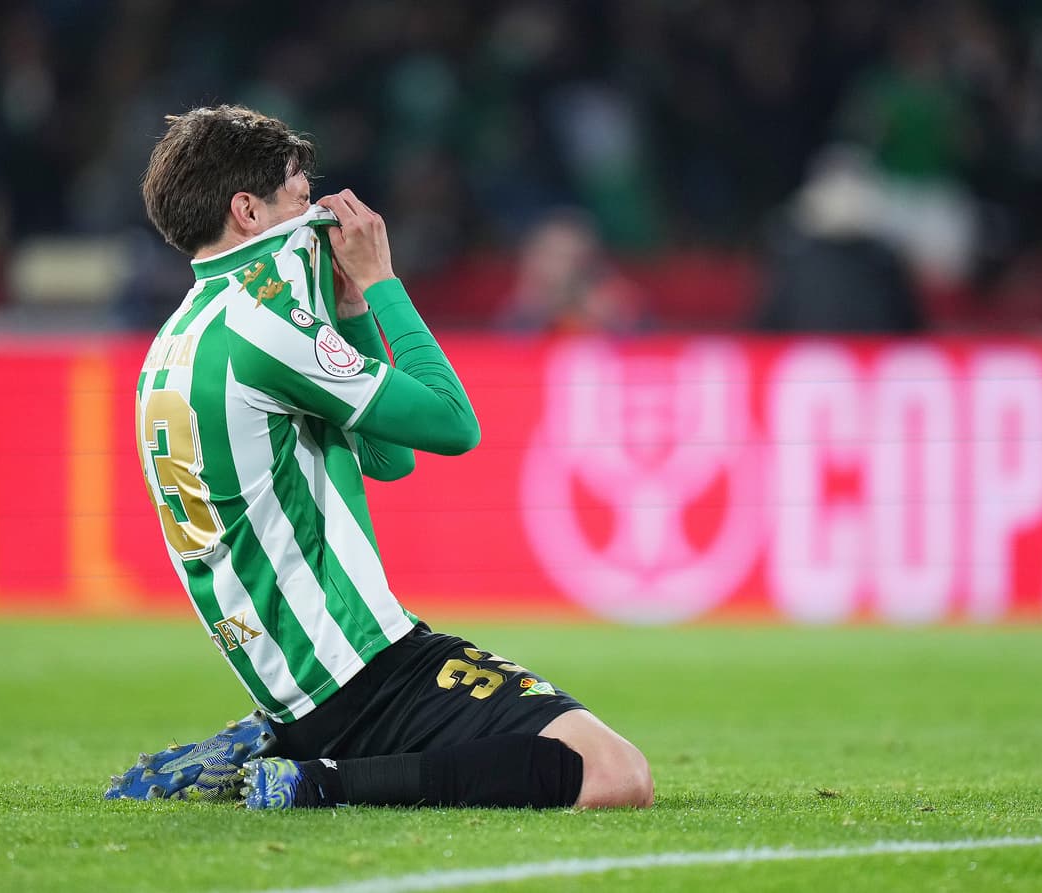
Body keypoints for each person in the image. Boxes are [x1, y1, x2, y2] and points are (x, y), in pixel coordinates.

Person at [105, 105, 653, 810]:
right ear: (247, 210)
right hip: (361, 667)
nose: (320, 220)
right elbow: (456, 425)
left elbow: (390, 461)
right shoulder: (264, 329)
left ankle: (282, 740)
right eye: (302, 201)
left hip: (294, 679)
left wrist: (353, 310)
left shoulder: (177, 338)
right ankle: (311, 779)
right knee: (615, 772)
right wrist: (385, 282)